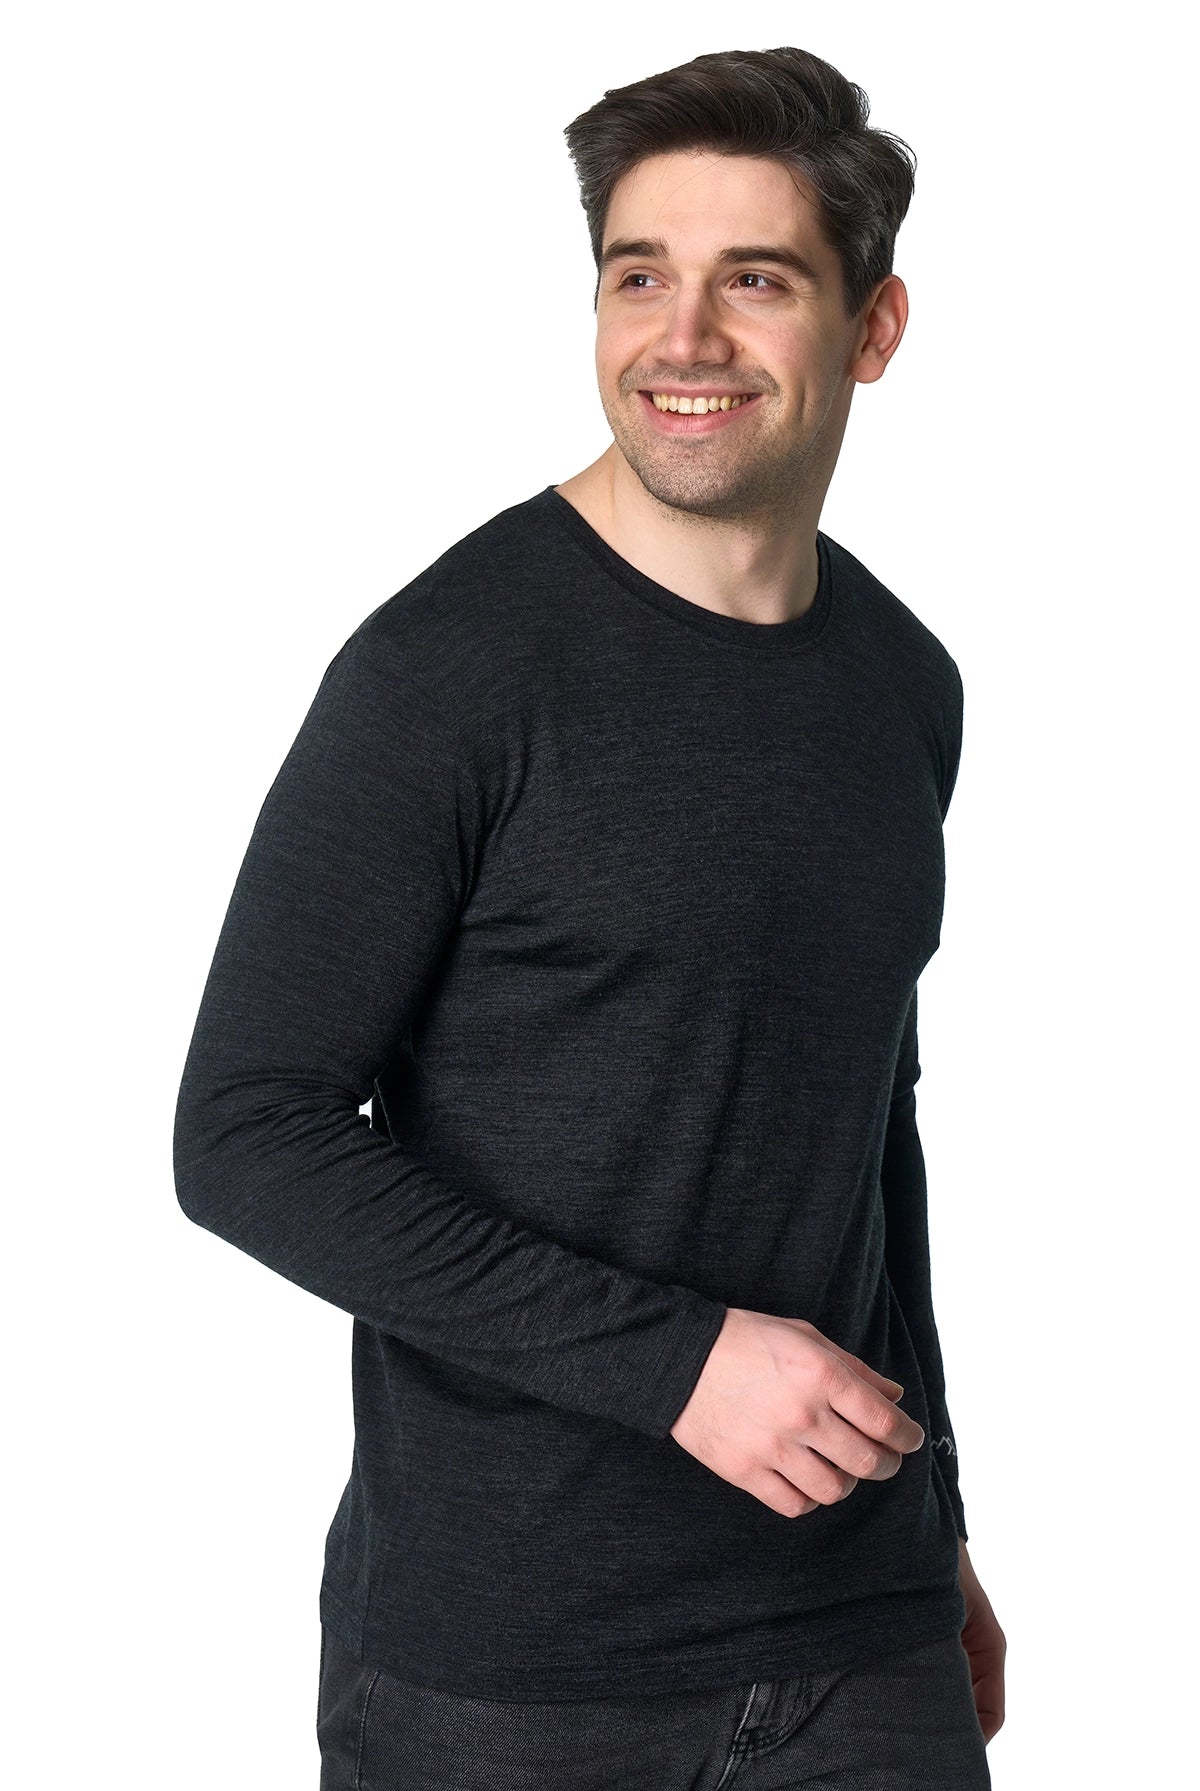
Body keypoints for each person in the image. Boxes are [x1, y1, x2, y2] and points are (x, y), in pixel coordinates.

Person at [174, 43, 1005, 1790]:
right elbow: (246, 1134)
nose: (681, 338)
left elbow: (874, 1131)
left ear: (873, 327)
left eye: (753, 280)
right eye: (640, 277)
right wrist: (678, 1365)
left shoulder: (903, 683)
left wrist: (941, 1523)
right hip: (511, 1672)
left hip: (861, 1634)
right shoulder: (446, 673)